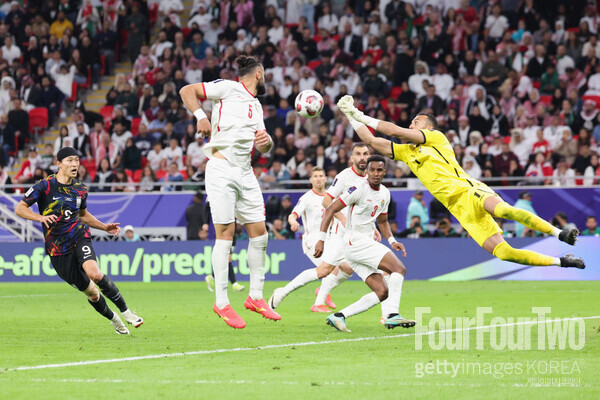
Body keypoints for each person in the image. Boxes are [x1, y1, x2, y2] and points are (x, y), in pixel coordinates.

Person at [337, 95, 585, 270]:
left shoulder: (436, 138)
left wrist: (361, 113)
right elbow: (372, 141)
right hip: (459, 209)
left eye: (417, 121)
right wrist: (350, 116)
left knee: (504, 210)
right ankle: (563, 261)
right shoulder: (406, 153)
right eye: (412, 121)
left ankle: (559, 233)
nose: (412, 123)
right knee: (504, 253)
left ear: (429, 127)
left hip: (469, 190)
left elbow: (398, 132)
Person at [179, 55, 280, 329]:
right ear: (258, 73)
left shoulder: (256, 106)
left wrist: (267, 142)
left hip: (245, 172)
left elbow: (263, 147)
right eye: (266, 73)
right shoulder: (227, 88)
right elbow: (187, 91)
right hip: (222, 168)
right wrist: (201, 115)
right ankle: (222, 303)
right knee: (225, 234)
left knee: (260, 233)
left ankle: (255, 297)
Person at [15, 147, 143, 334]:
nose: (74, 164)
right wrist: (40, 218)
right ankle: (114, 319)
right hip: (58, 249)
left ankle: (127, 312)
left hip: (79, 237)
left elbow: (82, 215)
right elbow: (20, 208)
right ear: (59, 163)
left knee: (95, 273)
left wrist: (103, 226)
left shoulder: (80, 189)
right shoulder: (45, 185)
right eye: (69, 160)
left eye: (76, 160)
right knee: (92, 293)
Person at [313, 155, 415, 332]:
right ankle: (392, 315)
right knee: (399, 269)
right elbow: (330, 208)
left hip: (360, 247)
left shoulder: (385, 193)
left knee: (383, 292)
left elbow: (382, 222)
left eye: (379, 170)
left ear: (385, 172)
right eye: (372, 170)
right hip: (356, 243)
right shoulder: (357, 189)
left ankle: (338, 316)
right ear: (366, 172)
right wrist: (321, 239)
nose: (376, 174)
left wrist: (392, 240)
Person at [268, 167, 338, 311]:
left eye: (321, 176)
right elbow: (293, 214)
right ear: (311, 180)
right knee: (329, 269)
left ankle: (322, 292)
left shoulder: (332, 197)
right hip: (312, 241)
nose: (318, 178)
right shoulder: (306, 198)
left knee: (347, 268)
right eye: (315, 176)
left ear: (326, 179)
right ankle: (315, 300)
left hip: (330, 240)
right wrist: (293, 222)